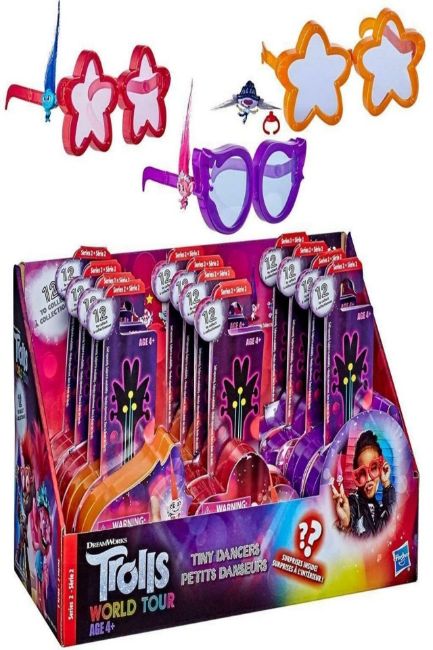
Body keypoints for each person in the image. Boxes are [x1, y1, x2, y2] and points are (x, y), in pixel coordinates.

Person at [331, 430, 395, 537]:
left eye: (373, 468)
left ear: (380, 468)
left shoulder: (379, 509)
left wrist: (386, 484)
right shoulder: (354, 504)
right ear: (356, 476)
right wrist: (345, 524)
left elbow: (392, 520)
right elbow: (349, 515)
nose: (369, 479)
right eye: (362, 473)